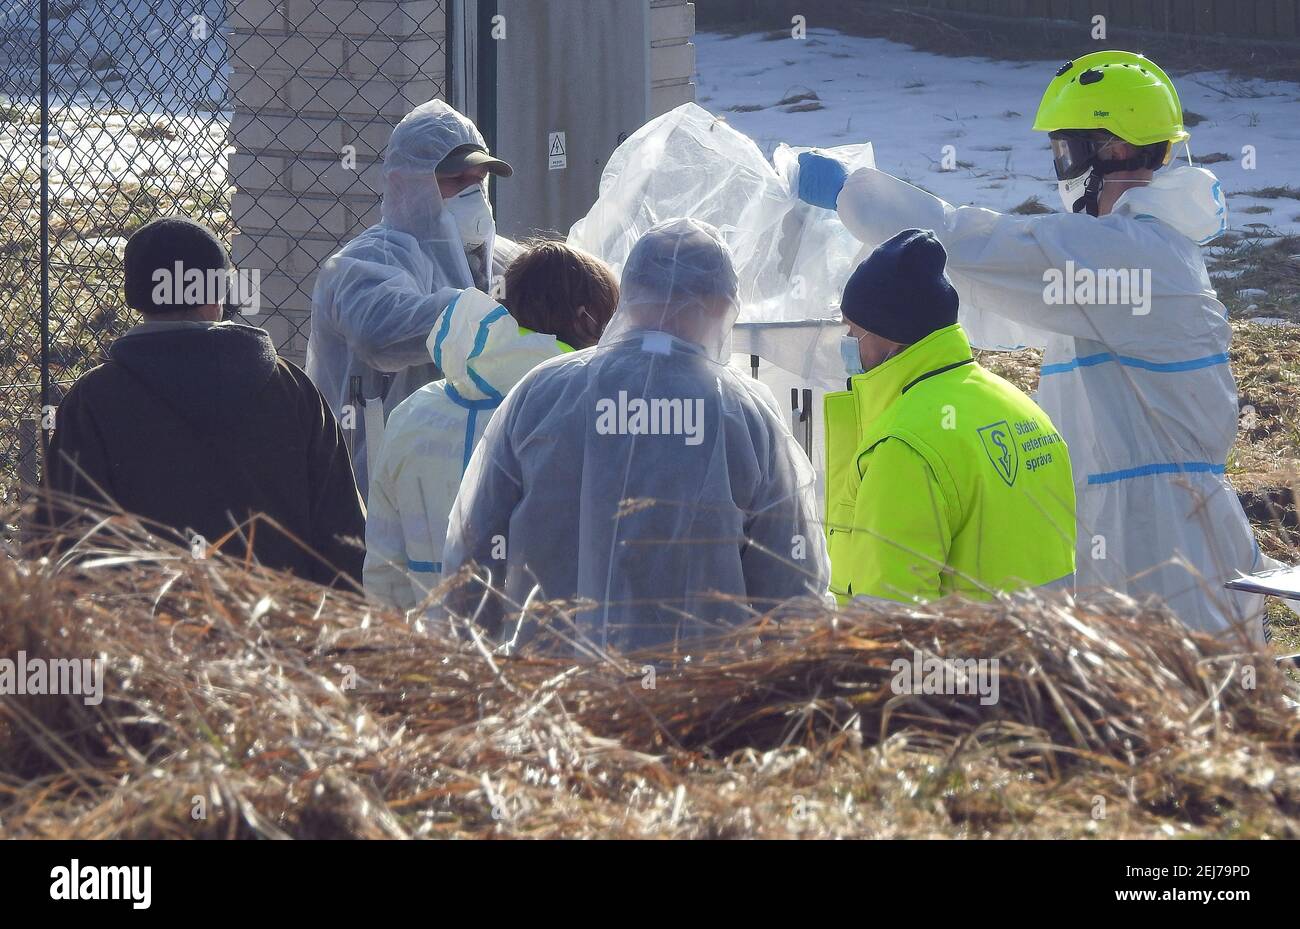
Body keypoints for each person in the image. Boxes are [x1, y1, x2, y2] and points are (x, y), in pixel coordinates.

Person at [797, 50, 1269, 634]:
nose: (1060, 168)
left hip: (1158, 545)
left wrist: (855, 197)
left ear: (1113, 149)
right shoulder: (1130, 259)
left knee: (1171, 711)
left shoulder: (1130, 259)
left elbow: (977, 248)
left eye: (1064, 150)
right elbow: (1000, 302)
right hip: (1150, 530)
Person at [442, 219, 829, 652]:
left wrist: (473, 668)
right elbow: (794, 586)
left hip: (552, 692)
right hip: (697, 699)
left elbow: (474, 549)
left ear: (630, 295)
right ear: (723, 307)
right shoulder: (744, 410)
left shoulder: (542, 392)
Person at [43, 217, 364, 587]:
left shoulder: (94, 400)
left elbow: (64, 543)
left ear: (137, 298)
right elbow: (344, 539)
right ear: (218, 295)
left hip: (141, 634)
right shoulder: (293, 390)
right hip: (278, 629)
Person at [364, 241, 620, 611]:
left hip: (429, 654)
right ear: (586, 320)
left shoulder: (413, 413)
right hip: (544, 658)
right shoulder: (589, 414)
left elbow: (384, 570)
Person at [825, 228, 1076, 603]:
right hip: (1045, 654)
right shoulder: (1025, 411)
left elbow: (891, 622)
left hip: (957, 663)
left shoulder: (904, 446)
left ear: (889, 334)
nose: (846, 341)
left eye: (852, 330)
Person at [306, 100, 519, 496]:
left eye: (479, 182)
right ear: (409, 184)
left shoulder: (504, 261)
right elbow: (381, 333)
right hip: (375, 493)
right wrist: (492, 315)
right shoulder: (363, 264)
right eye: (456, 181)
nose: (472, 195)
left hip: (470, 484)